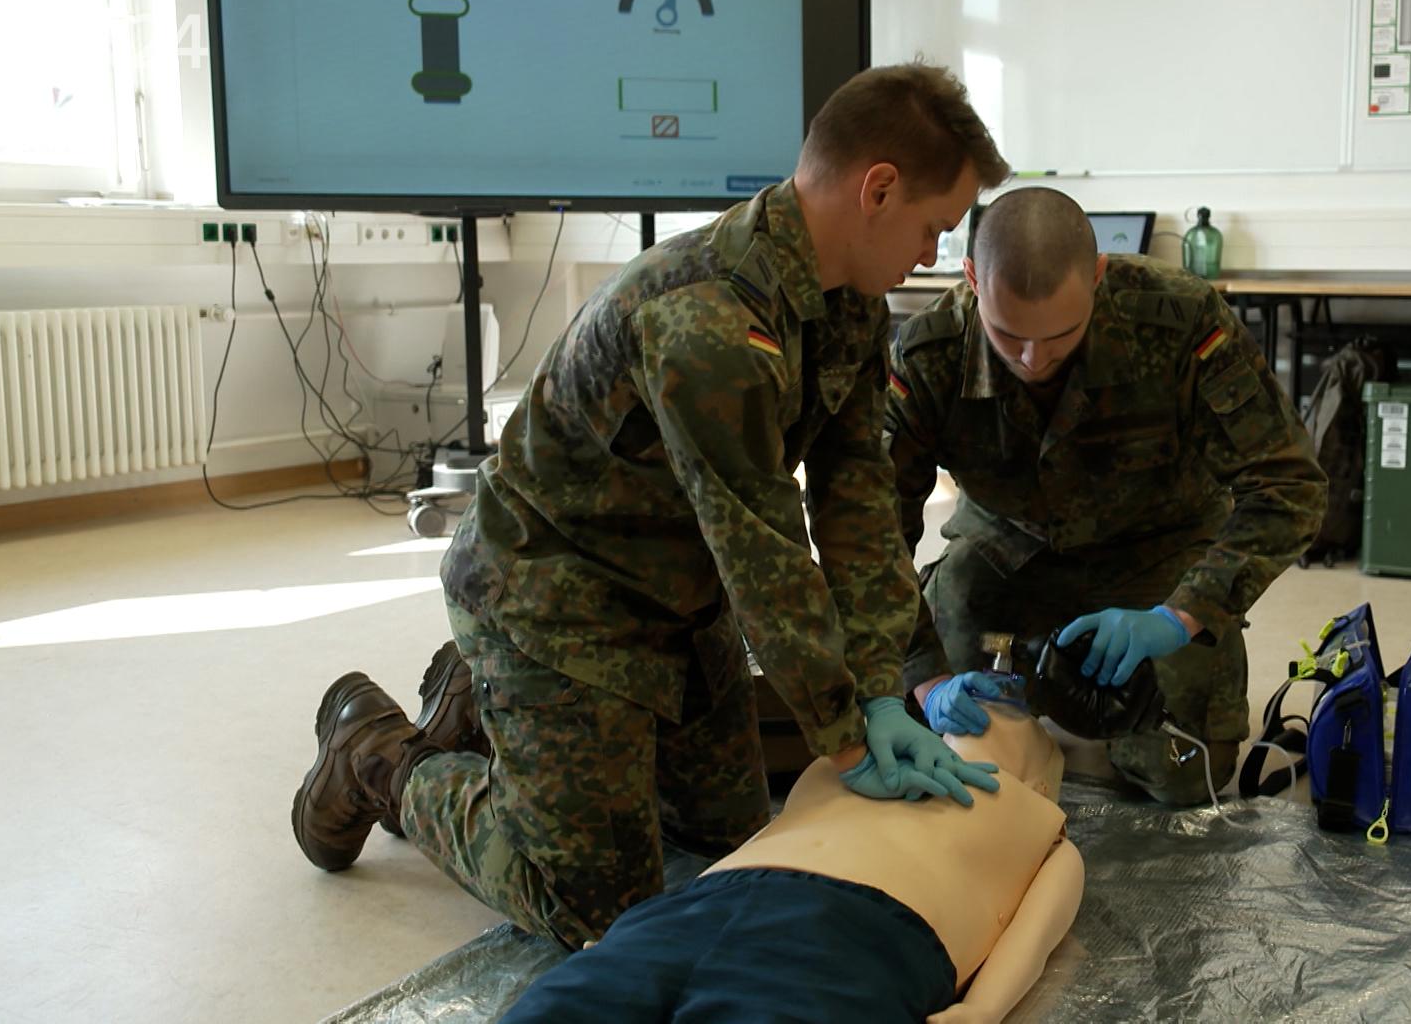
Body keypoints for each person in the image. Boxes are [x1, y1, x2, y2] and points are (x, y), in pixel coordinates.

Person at [290, 63, 1013, 950]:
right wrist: (848, 735)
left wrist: (882, 687)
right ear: (880, 189)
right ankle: (379, 755)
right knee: (596, 906)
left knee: (724, 850)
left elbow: (857, 500)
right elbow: (765, 551)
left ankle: (481, 704)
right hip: (553, 599)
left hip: (679, 597)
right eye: (935, 227)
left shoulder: (848, 305)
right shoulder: (708, 320)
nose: (932, 255)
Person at [888, 187, 1326, 805]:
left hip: (1158, 549)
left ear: (1097, 276)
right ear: (972, 280)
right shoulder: (931, 352)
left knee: (1184, 773)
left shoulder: (1180, 321)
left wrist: (1183, 615)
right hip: (1006, 551)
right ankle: (1023, 690)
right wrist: (927, 680)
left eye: (1060, 335)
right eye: (1008, 336)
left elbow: (1290, 485)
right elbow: (872, 532)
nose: (1034, 359)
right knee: (934, 738)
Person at [500, 705, 1081, 1024]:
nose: (974, 711)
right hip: (696, 913)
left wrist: (982, 1010)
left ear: (1041, 777)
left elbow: (1031, 938)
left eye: (1013, 715)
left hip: (851, 940)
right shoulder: (855, 764)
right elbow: (769, 837)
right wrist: (631, 941)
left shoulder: (1041, 827)